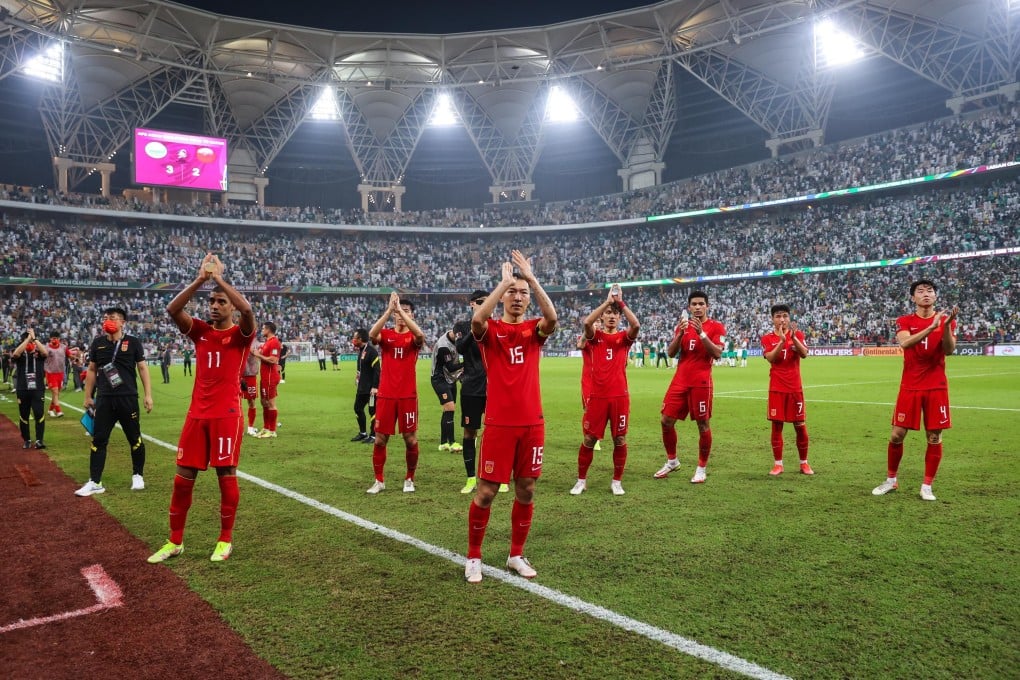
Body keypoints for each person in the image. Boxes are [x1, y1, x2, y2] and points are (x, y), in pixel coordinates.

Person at [147, 253, 256, 563]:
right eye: (212, 301)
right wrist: (201, 279)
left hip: (227, 416)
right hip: (197, 415)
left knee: (226, 475)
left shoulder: (240, 335)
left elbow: (247, 309)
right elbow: (172, 309)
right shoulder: (200, 331)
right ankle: (175, 541)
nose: (215, 305)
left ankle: (224, 540)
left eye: (221, 301)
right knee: (182, 478)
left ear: (231, 306)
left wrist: (219, 279)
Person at [465, 250, 557, 583]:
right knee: (487, 492)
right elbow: (476, 322)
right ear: (502, 296)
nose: (517, 298)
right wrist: (503, 281)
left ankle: (515, 554)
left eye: (523, 294)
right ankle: (474, 557)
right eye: (512, 292)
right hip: (500, 424)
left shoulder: (535, 331)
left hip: (533, 423)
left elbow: (553, 319)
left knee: (527, 488)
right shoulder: (490, 331)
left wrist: (530, 277)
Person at [873, 280, 958, 501]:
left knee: (934, 436)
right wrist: (932, 327)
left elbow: (949, 350)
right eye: (920, 291)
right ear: (913, 298)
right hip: (910, 385)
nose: (926, 294)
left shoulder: (945, 321)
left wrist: (946, 326)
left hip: (936, 386)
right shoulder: (905, 321)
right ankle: (891, 480)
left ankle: (927, 486)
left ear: (936, 296)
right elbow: (905, 343)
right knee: (897, 434)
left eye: (930, 291)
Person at [74, 306, 153, 496]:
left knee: (134, 438)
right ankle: (95, 482)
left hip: (128, 398)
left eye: (113, 318)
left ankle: (137, 475)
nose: (108, 320)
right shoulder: (98, 343)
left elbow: (142, 368)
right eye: (106, 317)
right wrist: (87, 396)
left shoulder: (133, 343)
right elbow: (92, 370)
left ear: (122, 322)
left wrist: (148, 395)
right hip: (105, 399)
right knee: (99, 439)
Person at [570, 285, 640, 496]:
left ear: (619, 319)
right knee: (589, 439)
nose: (612, 316)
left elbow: (635, 324)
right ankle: (581, 480)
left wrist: (620, 304)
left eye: (615, 314)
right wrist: (607, 303)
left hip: (620, 397)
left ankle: (617, 481)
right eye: (608, 314)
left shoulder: (623, 340)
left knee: (619, 439)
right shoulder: (595, 337)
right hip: (598, 397)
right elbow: (586, 323)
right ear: (602, 316)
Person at [654, 291, 724, 484]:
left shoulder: (716, 327)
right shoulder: (682, 326)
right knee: (666, 420)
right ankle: (672, 461)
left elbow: (717, 353)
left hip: (701, 382)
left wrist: (701, 333)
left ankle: (701, 468)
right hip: (680, 380)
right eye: (694, 304)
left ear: (707, 306)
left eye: (701, 304)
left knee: (702, 424)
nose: (698, 307)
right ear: (689, 307)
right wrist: (681, 333)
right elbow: (670, 352)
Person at [367, 292, 425, 493]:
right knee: (381, 438)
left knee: (410, 439)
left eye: (407, 311)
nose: (401, 315)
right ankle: (379, 480)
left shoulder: (412, 337)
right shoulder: (387, 335)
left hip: (408, 396)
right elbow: (372, 335)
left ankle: (409, 479)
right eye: (399, 312)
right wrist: (389, 310)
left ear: (412, 315)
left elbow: (420, 336)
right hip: (386, 395)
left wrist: (400, 309)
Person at [760, 305, 813, 476]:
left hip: (795, 388)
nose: (782, 319)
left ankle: (804, 463)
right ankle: (778, 464)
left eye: (784, 316)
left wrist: (793, 339)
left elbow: (804, 354)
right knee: (777, 426)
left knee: (800, 425)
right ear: (772, 319)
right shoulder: (767, 338)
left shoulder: (798, 335)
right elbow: (770, 358)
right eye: (778, 316)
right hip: (776, 388)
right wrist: (782, 341)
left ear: (789, 318)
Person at [12, 329, 48, 448]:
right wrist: (27, 339)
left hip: (37, 389)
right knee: (24, 415)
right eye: (27, 342)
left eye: (31, 341)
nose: (30, 344)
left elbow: (45, 353)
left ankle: (39, 440)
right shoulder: (20, 356)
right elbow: (15, 354)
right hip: (23, 389)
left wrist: (35, 339)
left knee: (39, 413)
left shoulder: (39, 355)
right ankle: (26, 440)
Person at [431, 327, 463, 453]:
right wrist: (467, 364)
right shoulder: (443, 346)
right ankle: (452, 442)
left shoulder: (455, 338)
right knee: (450, 408)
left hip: (450, 379)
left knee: (448, 411)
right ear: (455, 334)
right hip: (440, 379)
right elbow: (450, 367)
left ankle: (443, 443)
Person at [252, 321, 281, 438]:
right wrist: (256, 353)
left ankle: (272, 430)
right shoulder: (266, 343)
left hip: (270, 377)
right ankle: (266, 427)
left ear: (269, 330)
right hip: (264, 377)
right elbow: (262, 356)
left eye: (263, 328)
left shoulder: (274, 342)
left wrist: (258, 355)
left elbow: (273, 360)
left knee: (271, 403)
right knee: (264, 402)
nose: (262, 330)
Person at [350, 328, 380, 444]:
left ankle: (373, 435)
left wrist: (375, 387)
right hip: (362, 388)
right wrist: (357, 378)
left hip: (370, 389)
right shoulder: (361, 351)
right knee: (357, 408)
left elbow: (377, 370)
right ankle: (363, 433)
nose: (353, 340)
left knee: (373, 411)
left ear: (360, 339)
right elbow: (361, 369)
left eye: (354, 338)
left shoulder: (371, 351)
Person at [44, 331, 66, 418]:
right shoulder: (46, 348)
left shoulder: (63, 347)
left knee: (56, 394)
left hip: (60, 373)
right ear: (50, 339)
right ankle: (58, 410)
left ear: (59, 339)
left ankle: (50, 410)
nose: (55, 340)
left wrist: (74, 357)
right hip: (50, 372)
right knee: (55, 391)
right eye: (53, 338)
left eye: (56, 338)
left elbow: (68, 354)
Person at [242, 336, 260, 436]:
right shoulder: (238, 340)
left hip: (251, 375)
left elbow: (260, 354)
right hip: (239, 376)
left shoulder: (256, 343)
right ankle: (239, 427)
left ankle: (250, 427)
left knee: (251, 402)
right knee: (235, 402)